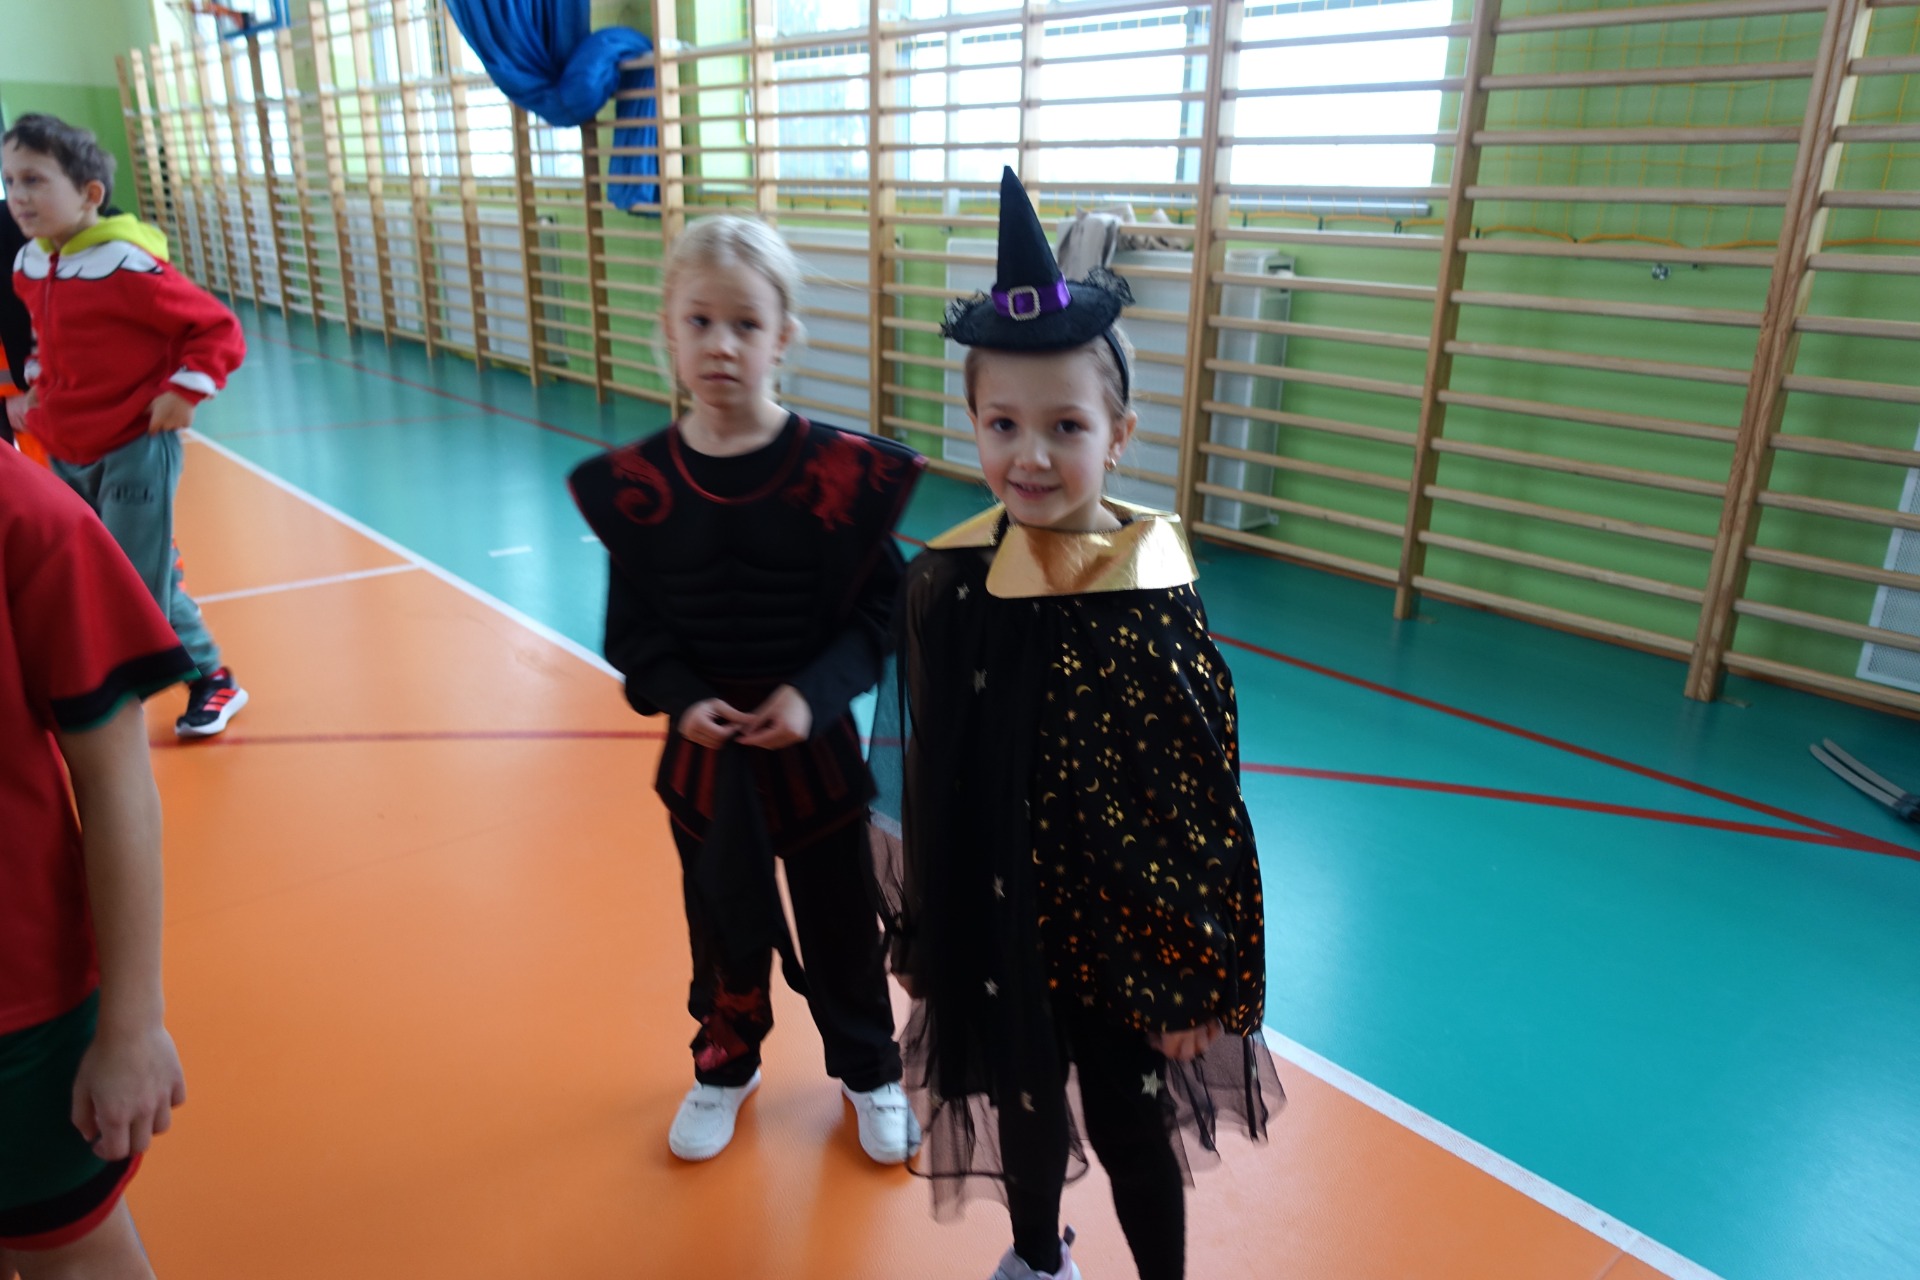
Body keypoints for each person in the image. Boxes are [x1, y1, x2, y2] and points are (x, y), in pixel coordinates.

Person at [872, 168, 1282, 1280]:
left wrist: (1193, 970)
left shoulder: (1149, 593)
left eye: (1066, 425)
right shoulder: (953, 580)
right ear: (973, 423)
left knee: (1133, 1124)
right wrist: (931, 925)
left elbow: (1198, 802)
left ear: (1120, 432)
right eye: (1002, 424)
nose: (1032, 455)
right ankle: (1037, 1257)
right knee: (1023, 1112)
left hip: (1123, 939)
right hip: (1005, 921)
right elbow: (933, 769)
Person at [569, 215, 927, 1166]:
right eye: (700, 321)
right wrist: (683, 699)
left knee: (842, 923)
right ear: (668, 330)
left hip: (816, 758)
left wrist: (813, 695)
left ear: (784, 336)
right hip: (705, 765)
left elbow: (881, 615)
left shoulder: (840, 476)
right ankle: (726, 1065)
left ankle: (869, 1069)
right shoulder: (639, 486)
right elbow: (633, 636)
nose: (721, 344)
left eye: (745, 323)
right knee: (721, 923)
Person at [0, 441, 194, 1280]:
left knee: (71, 1253)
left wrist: (132, 1025)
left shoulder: (27, 516)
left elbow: (116, 780)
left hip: (20, 1021)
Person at [2, 113, 247, 737]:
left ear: (89, 193)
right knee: (123, 573)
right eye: (9, 181)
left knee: (132, 585)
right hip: (67, 446)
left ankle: (207, 678)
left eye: (34, 180)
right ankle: (192, 658)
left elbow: (217, 329)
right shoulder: (32, 263)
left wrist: (183, 393)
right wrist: (38, 385)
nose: (17, 196)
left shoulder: (124, 264)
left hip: (134, 446)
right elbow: (49, 337)